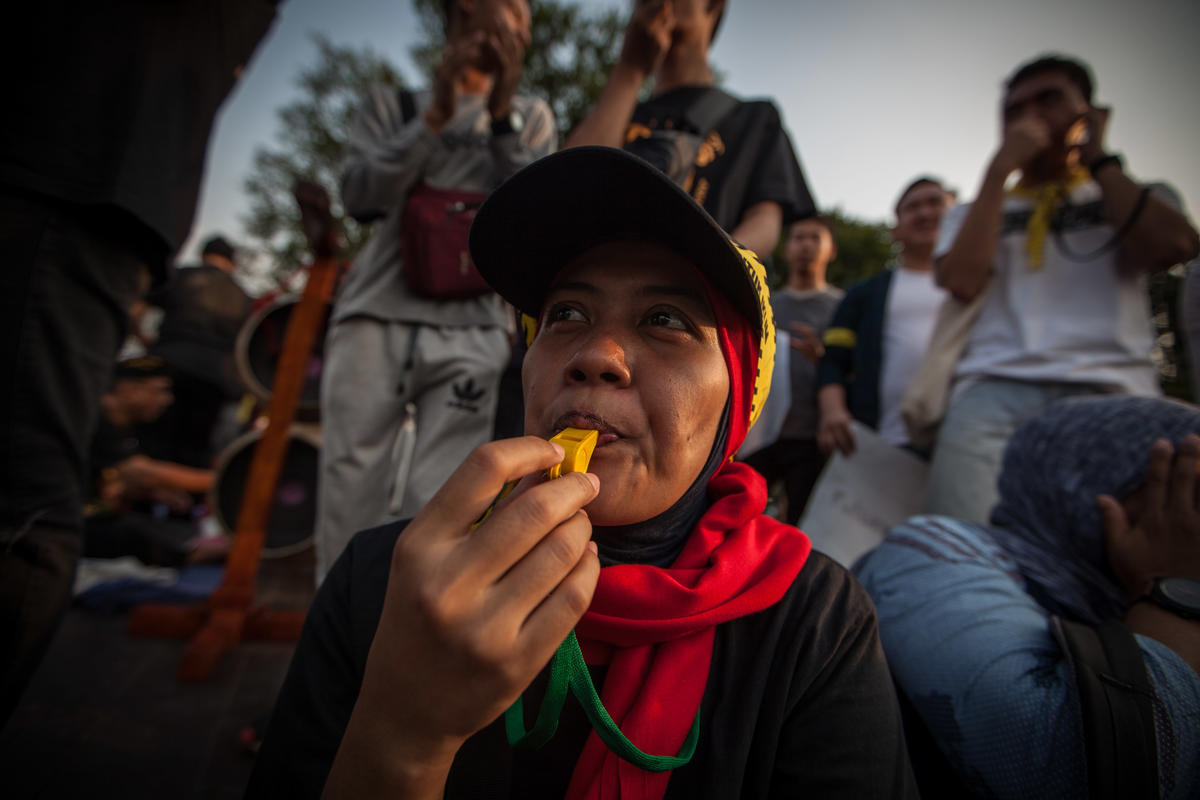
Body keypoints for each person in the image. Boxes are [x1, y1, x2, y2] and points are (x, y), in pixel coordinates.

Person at [247, 147, 918, 799]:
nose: (595, 356)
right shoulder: (380, 581)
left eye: (666, 320)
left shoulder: (813, 623)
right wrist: (403, 737)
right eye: (565, 315)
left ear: (732, 411)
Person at [0, 0, 279, 726]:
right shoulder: (229, 295)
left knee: (22, 488)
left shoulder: (181, 288)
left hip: (67, 171)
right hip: (98, 196)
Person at [315, 0, 556, 584]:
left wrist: (498, 118)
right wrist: (436, 115)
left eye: (519, 13)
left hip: (471, 324)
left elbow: (535, 212)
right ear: (458, 13)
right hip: (377, 313)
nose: (506, 20)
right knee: (351, 477)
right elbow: (361, 196)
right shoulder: (392, 105)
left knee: (445, 490)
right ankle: (334, 633)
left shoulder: (530, 116)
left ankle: (412, 627)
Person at [855, 396, 1200, 799]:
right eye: (1188, 493)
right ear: (1098, 481)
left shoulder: (1118, 598)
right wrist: (1177, 587)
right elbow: (1072, 770)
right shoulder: (934, 551)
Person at [926, 54, 1200, 524]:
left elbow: (1173, 247)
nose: (1029, 117)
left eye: (1049, 100)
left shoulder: (1136, 193)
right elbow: (961, 282)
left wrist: (1098, 157)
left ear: (1089, 112)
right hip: (993, 393)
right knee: (962, 545)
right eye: (1013, 110)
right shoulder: (971, 212)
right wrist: (998, 173)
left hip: (1114, 387)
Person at [565, 0, 812, 258]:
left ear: (714, 6)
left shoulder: (756, 118)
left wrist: (697, 276)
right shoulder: (615, 114)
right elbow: (565, 192)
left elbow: (764, 223)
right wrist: (629, 72)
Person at [815, 177, 954, 456]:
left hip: (963, 445)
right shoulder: (864, 294)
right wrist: (833, 412)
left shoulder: (981, 289)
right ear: (895, 229)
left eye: (934, 203)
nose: (925, 213)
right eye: (912, 207)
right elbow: (832, 361)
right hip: (883, 445)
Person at [743, 216, 843, 523]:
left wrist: (822, 358)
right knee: (743, 516)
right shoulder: (763, 302)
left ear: (831, 250)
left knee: (802, 523)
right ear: (786, 249)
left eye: (815, 238)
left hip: (812, 438)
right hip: (759, 435)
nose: (806, 246)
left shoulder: (841, 305)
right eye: (799, 238)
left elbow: (849, 371)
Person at [85, 357, 219, 568]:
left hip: (93, 515)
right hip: (69, 523)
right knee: (133, 533)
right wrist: (221, 480)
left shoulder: (127, 427)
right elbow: (140, 472)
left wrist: (155, 492)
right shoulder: (96, 418)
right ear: (129, 389)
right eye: (159, 390)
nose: (167, 400)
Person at [142, 234, 253, 467]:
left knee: (153, 443)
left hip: (168, 364)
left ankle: (140, 497)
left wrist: (144, 340)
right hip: (216, 378)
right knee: (195, 450)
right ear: (231, 263)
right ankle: (182, 498)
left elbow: (137, 306)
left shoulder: (181, 276)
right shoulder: (243, 296)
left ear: (204, 255)